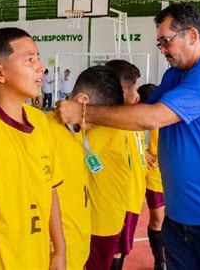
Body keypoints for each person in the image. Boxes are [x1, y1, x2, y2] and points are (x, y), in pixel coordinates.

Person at [55, 2, 200, 269]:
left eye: (166, 41)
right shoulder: (174, 75)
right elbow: (138, 108)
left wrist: (84, 111)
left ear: (191, 35)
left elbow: (153, 116)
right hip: (179, 212)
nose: (163, 50)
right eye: (160, 43)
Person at [0, 27, 66, 269]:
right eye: (30, 59)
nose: (40, 67)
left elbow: (50, 189)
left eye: (38, 58)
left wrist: (59, 250)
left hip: (38, 258)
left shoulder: (39, 120)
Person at [47, 66, 125, 269]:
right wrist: (58, 249)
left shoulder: (75, 132)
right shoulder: (47, 134)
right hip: (59, 252)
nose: (97, 126)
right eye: (97, 118)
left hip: (76, 247)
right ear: (83, 102)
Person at [73, 66, 131, 270]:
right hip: (106, 216)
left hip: (99, 220)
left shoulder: (103, 129)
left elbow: (71, 159)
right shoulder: (113, 126)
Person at [104, 60, 146, 270]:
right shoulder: (111, 124)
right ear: (124, 89)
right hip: (120, 204)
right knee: (113, 253)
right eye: (136, 88)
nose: (138, 94)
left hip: (132, 200)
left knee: (119, 252)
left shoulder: (132, 119)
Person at [138, 83, 166, 270]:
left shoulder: (169, 115)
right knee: (158, 219)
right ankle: (160, 261)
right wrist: (144, 153)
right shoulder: (138, 118)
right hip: (154, 173)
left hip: (175, 174)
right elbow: (134, 140)